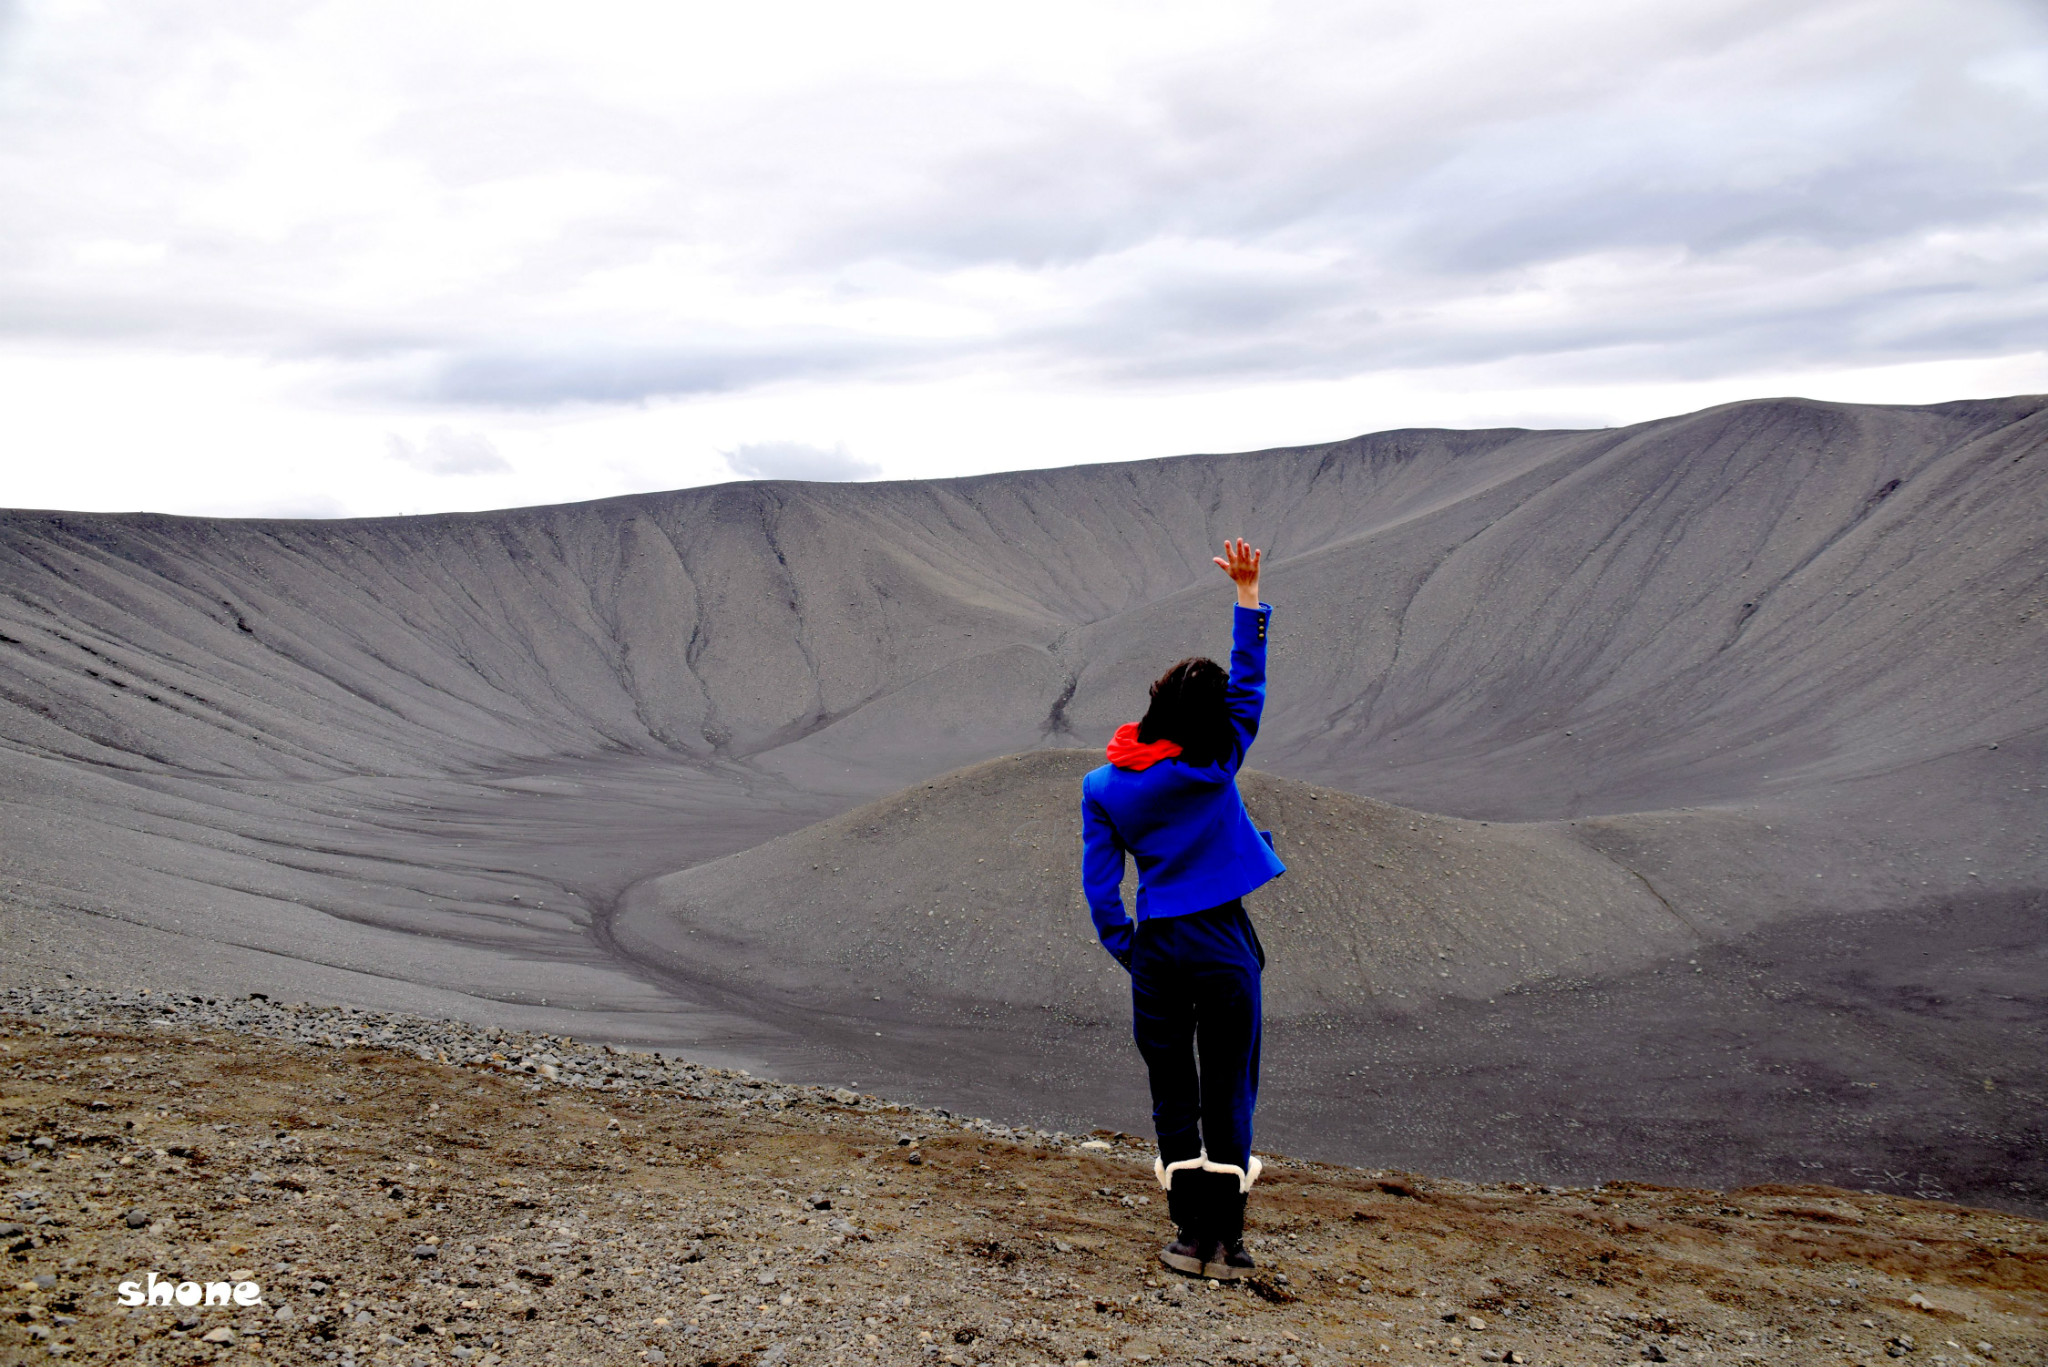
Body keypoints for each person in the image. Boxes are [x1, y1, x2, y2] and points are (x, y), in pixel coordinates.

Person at [1080, 537, 1285, 1280]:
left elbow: (1101, 888)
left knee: (1174, 1090)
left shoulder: (1103, 786)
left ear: (1154, 706)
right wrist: (1247, 596)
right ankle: (1229, 1243)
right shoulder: (1216, 761)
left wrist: (1130, 949)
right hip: (1224, 942)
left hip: (1158, 948)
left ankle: (1188, 1234)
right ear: (1207, 720)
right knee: (1229, 1082)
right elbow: (1249, 691)